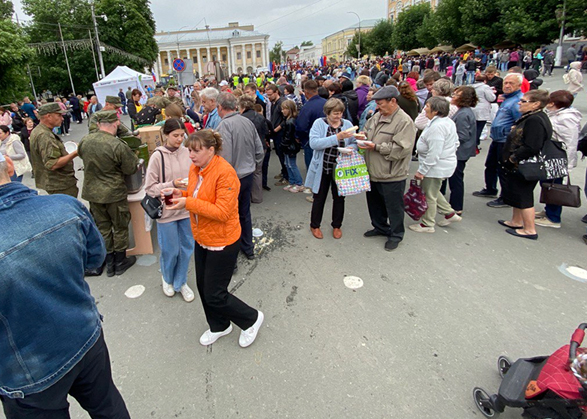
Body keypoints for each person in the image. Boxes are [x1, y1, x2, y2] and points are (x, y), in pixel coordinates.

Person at [0, 153, 130, 419]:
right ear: (10, 166)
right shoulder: (65, 206)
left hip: (28, 372)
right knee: (108, 406)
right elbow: (94, 258)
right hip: (85, 333)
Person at [163, 130, 264, 348]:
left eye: (196, 151)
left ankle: (251, 319)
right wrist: (182, 195)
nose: (190, 155)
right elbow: (197, 195)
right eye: (189, 150)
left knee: (215, 293)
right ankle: (219, 325)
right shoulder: (196, 169)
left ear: (211, 150)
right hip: (202, 236)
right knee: (202, 286)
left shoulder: (225, 173)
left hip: (223, 241)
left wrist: (187, 203)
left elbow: (222, 212)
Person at [77, 111, 139, 276]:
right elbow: (130, 168)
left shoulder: (85, 141)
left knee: (102, 226)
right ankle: (120, 261)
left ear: (98, 124)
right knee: (119, 226)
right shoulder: (117, 145)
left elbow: (82, 156)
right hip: (113, 192)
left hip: (92, 192)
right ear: (116, 124)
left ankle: (109, 262)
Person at [359, 86, 416, 251]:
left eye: (381, 103)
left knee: (394, 207)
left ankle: (396, 234)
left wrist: (376, 146)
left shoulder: (404, 122)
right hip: (373, 170)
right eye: (376, 103)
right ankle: (380, 227)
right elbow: (367, 131)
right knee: (375, 204)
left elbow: (401, 149)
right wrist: (361, 137)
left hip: (392, 173)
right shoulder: (377, 116)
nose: (378, 107)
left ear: (393, 101)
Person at [145, 118, 195, 301]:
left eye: (182, 135)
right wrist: (172, 184)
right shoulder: (158, 156)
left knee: (187, 248)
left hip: (186, 207)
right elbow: (150, 188)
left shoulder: (188, 152)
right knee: (170, 249)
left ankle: (181, 281)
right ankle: (167, 277)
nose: (180, 139)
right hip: (166, 211)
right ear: (165, 135)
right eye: (175, 135)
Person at [215, 93, 264, 260]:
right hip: (248, 175)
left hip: (232, 178)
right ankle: (248, 248)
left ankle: (232, 256)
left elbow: (224, 157)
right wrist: (253, 166)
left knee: (230, 217)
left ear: (220, 107)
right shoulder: (247, 122)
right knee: (245, 213)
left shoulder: (224, 125)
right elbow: (259, 150)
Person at [499, 90, 552, 240]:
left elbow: (532, 146)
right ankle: (516, 221)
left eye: (523, 101)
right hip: (520, 163)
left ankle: (529, 229)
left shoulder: (535, 120)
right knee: (517, 192)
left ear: (536, 104)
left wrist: (513, 158)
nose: (519, 103)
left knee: (524, 195)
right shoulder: (533, 116)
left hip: (525, 164)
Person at [305, 98, 357, 240]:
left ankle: (337, 225)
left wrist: (353, 147)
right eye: (335, 113)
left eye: (340, 113)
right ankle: (315, 225)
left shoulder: (347, 124)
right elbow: (314, 143)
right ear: (327, 113)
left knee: (339, 198)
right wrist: (337, 137)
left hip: (341, 168)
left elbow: (353, 142)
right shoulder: (319, 124)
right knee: (319, 197)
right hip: (323, 167)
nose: (338, 116)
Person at [410, 97, 461, 233]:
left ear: (436, 110)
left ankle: (428, 224)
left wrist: (422, 171)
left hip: (435, 166)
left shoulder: (437, 127)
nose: (424, 108)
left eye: (427, 106)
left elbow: (434, 152)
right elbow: (456, 143)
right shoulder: (447, 122)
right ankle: (449, 213)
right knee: (433, 190)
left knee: (429, 195)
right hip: (442, 164)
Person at [472, 73, 523, 207]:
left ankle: (505, 197)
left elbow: (520, 122)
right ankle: (490, 188)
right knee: (491, 165)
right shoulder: (508, 99)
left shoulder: (517, 101)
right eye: (505, 83)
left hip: (505, 140)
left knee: (503, 169)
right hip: (498, 138)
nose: (507, 85)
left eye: (511, 83)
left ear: (518, 85)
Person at [535, 90, 582, 229]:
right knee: (547, 184)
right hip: (551, 155)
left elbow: (570, 141)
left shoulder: (567, 118)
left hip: (558, 158)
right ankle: (548, 211)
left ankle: (553, 217)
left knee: (553, 186)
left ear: (553, 103)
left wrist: (567, 164)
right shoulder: (557, 114)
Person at [441, 86, 478, 214]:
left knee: (455, 179)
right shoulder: (463, 111)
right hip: (461, 151)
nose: (453, 97)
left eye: (456, 95)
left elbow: (462, 136)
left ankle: (456, 207)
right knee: (454, 178)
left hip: (459, 152)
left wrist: (447, 140)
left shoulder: (463, 114)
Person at [29, 103, 78, 197]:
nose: (62, 118)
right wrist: (76, 152)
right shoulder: (44, 135)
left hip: (55, 182)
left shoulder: (39, 130)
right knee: (67, 210)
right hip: (59, 184)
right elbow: (52, 164)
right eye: (59, 115)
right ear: (48, 116)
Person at [239, 96, 270, 203]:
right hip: (260, 146)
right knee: (258, 172)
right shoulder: (261, 117)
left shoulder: (241, 119)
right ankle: (257, 197)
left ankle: (246, 197)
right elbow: (266, 132)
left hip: (247, 147)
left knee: (245, 172)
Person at [295, 80, 327, 175]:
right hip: (327, 138)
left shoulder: (307, 107)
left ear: (306, 92)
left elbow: (301, 125)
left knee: (312, 167)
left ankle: (313, 186)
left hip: (311, 140)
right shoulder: (326, 103)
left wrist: (299, 137)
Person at [266, 84, 289, 186]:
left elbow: (285, 119)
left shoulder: (282, 103)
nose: (269, 97)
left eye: (270, 95)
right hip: (275, 133)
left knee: (282, 155)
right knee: (280, 155)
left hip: (280, 133)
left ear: (276, 92)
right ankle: (284, 171)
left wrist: (277, 129)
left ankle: (286, 176)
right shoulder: (274, 103)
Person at [280, 99, 304, 193]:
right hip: (290, 146)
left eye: (284, 109)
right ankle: (293, 181)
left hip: (290, 146)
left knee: (291, 164)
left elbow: (288, 136)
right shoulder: (290, 120)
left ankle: (298, 183)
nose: (282, 111)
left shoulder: (290, 121)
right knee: (288, 164)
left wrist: (282, 144)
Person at [471, 74, 496, 148]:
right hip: (482, 109)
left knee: (473, 127)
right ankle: (475, 144)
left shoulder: (472, 87)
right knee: (480, 127)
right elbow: (491, 98)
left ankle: (473, 143)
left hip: (473, 107)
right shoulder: (485, 87)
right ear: (485, 80)